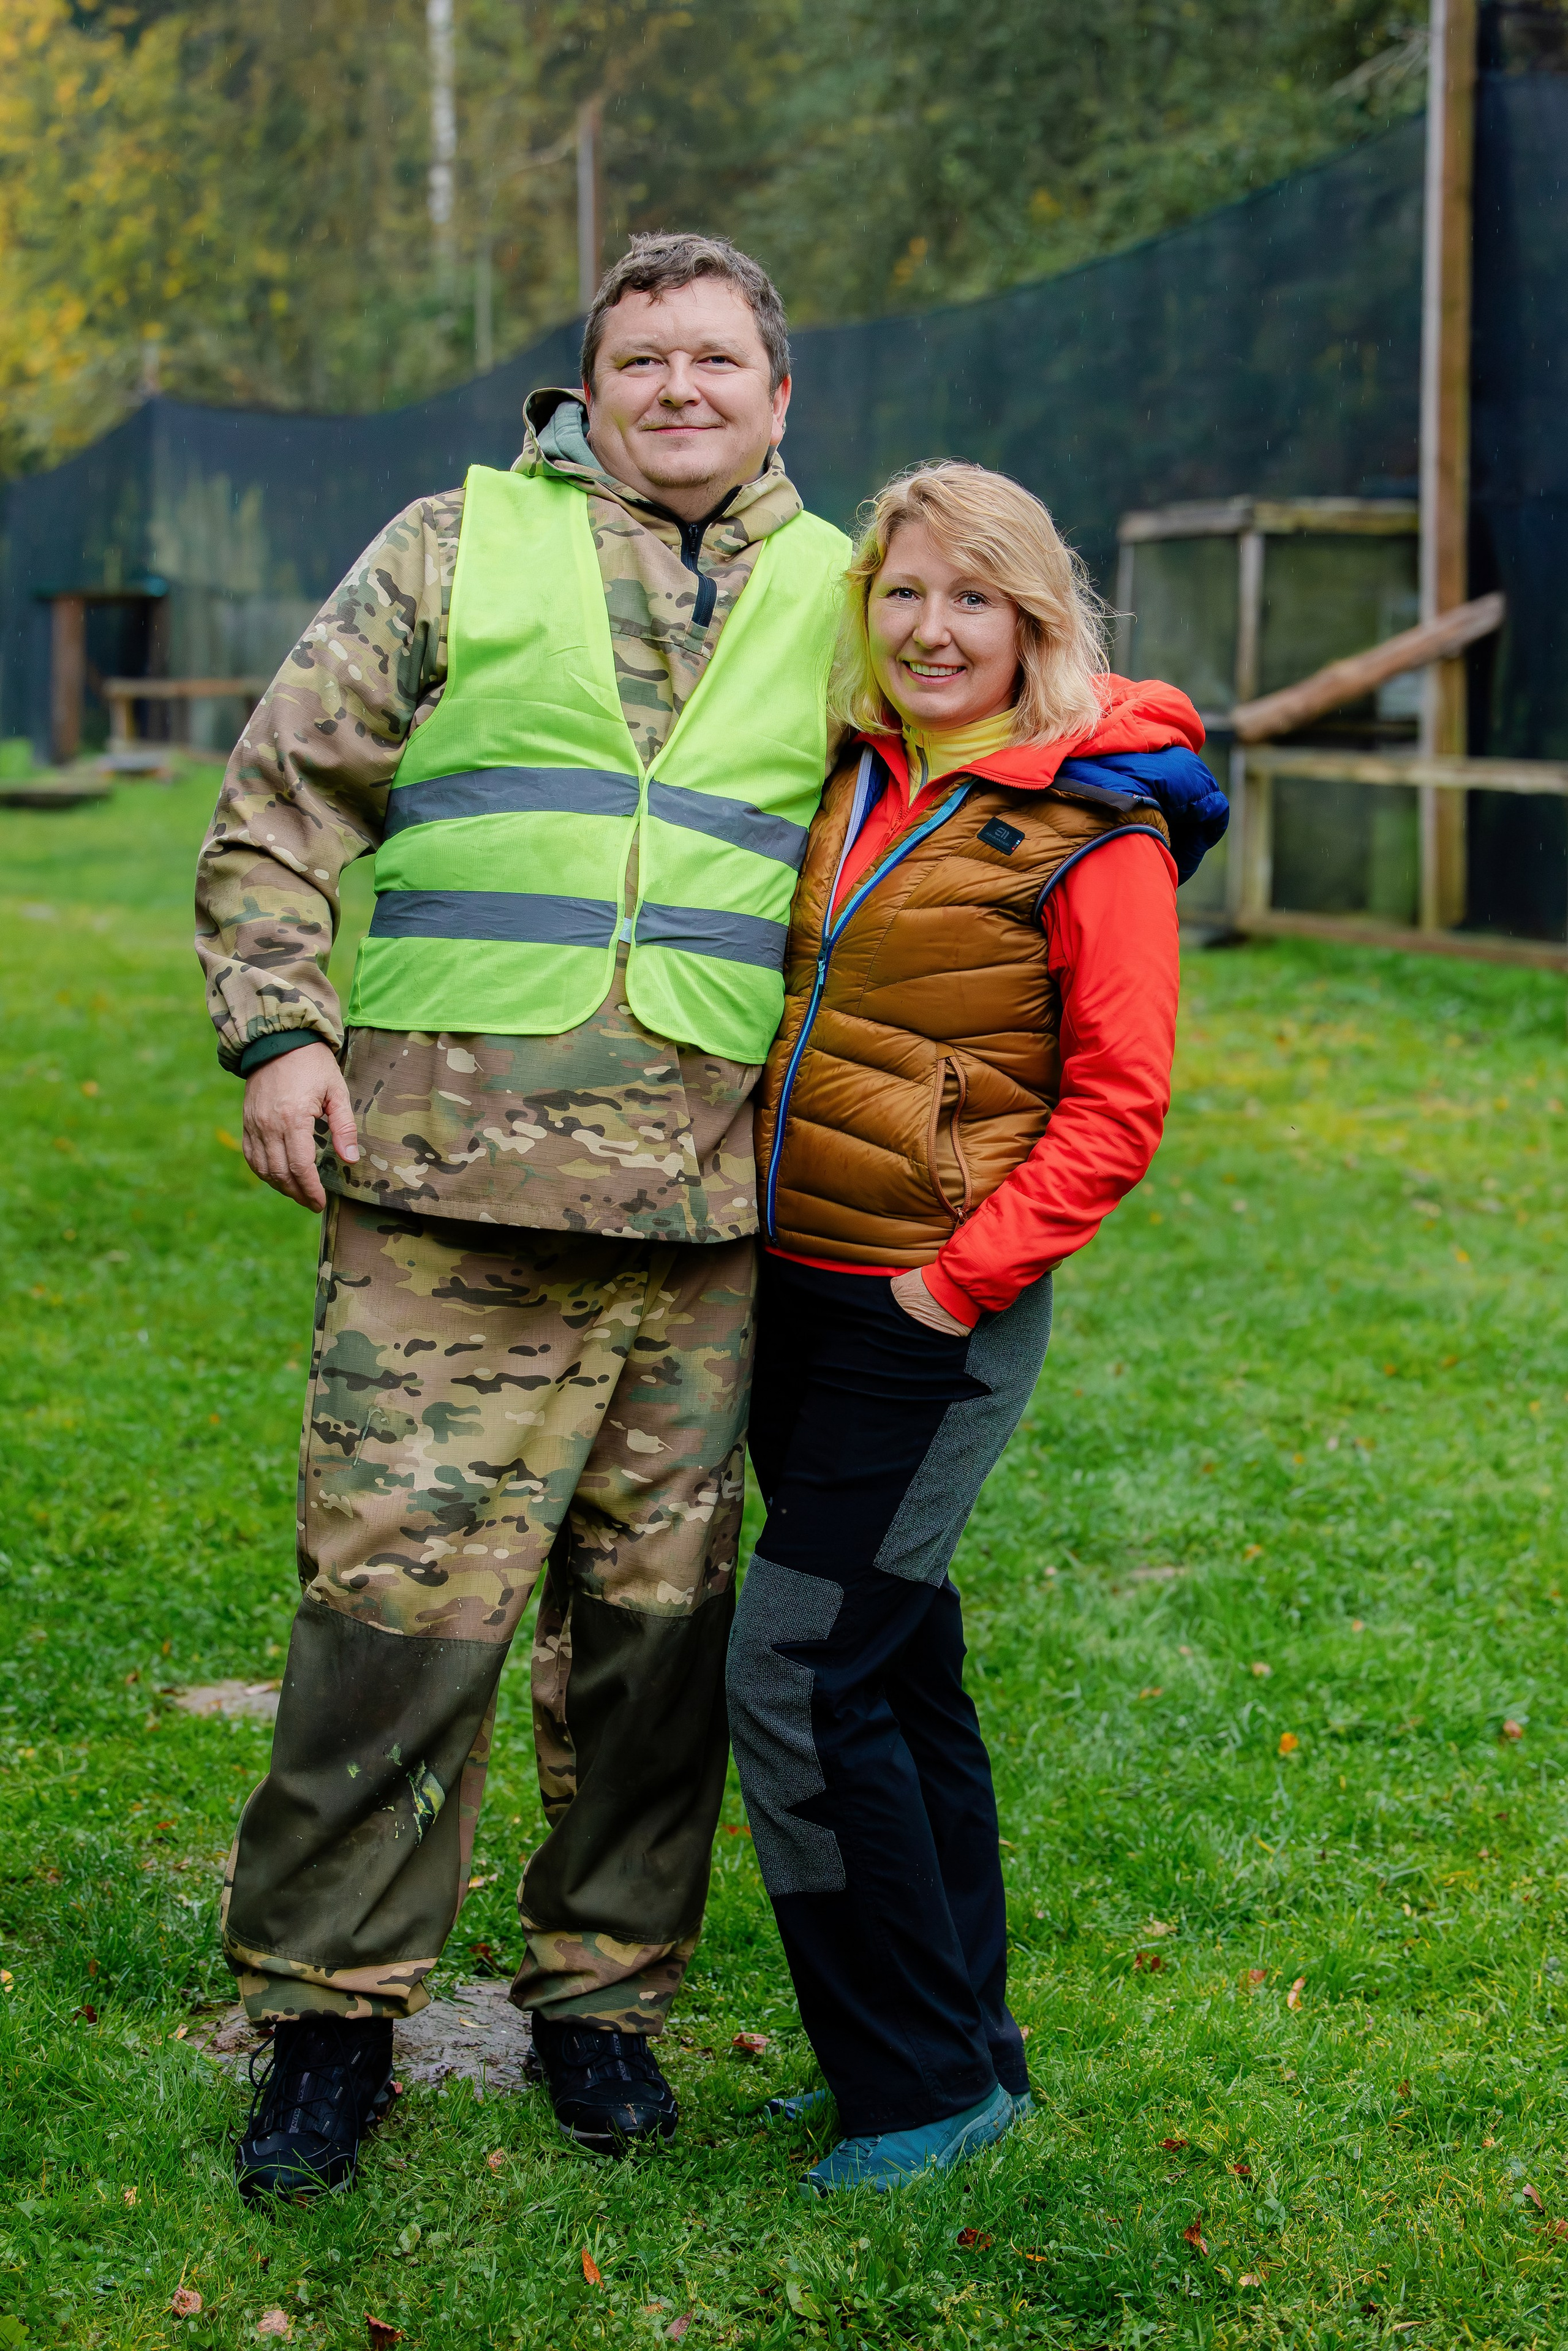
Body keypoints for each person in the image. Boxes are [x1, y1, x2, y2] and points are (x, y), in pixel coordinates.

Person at [194, 233, 850, 2200]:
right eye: (639, 358)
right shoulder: (454, 544)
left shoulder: (849, 589)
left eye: (715, 360)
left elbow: (1011, 747)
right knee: (395, 1616)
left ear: (778, 393)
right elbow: (283, 801)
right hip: (442, 1191)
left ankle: (604, 2006)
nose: (677, 388)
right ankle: (328, 2015)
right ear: (588, 385)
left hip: (709, 1207)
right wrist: (274, 1039)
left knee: (655, 1634)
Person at [726, 460, 1227, 2195]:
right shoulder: (855, 774)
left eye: (975, 600)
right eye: (905, 594)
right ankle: (960, 2049)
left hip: (927, 1319)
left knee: (792, 1671)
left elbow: (1121, 1102)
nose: (935, 632)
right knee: (897, 1673)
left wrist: (954, 1283)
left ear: (1036, 619)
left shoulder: (1098, 823)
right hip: (790, 1294)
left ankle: (913, 2091)